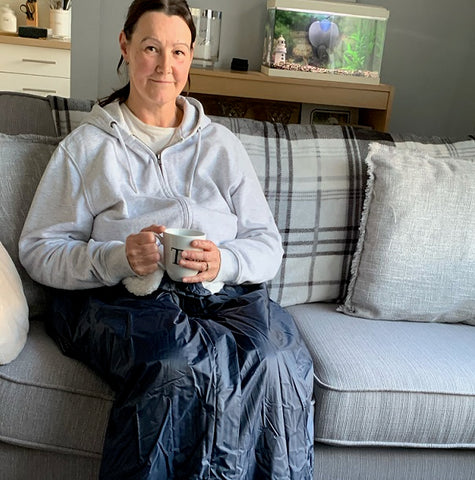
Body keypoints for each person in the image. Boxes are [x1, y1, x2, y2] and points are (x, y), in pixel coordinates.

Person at [19, 0, 314, 478]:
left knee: (276, 360)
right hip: (122, 299)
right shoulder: (88, 147)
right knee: (174, 364)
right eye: (151, 47)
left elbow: (266, 242)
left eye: (178, 51)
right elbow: (39, 249)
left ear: (191, 57)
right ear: (126, 46)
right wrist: (116, 257)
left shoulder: (221, 146)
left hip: (222, 295)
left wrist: (225, 262)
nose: (164, 65)